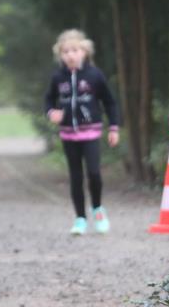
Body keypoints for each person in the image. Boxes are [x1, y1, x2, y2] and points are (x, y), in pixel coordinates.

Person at [43, 29, 121, 235]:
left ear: (84, 52)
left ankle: (97, 209)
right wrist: (51, 113)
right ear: (60, 55)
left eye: (75, 50)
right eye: (66, 51)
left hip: (91, 132)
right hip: (68, 134)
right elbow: (49, 99)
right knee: (75, 176)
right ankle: (80, 218)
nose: (70, 55)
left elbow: (110, 102)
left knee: (94, 173)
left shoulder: (94, 75)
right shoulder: (58, 77)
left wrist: (114, 127)